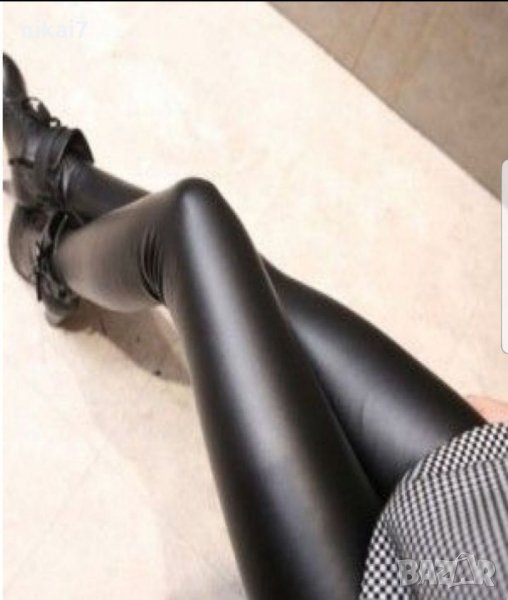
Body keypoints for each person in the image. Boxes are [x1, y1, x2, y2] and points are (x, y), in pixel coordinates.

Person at [4, 53, 507, 599]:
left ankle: (51, 251)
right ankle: (59, 177)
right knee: (249, 282)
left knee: (187, 224)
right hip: (483, 506)